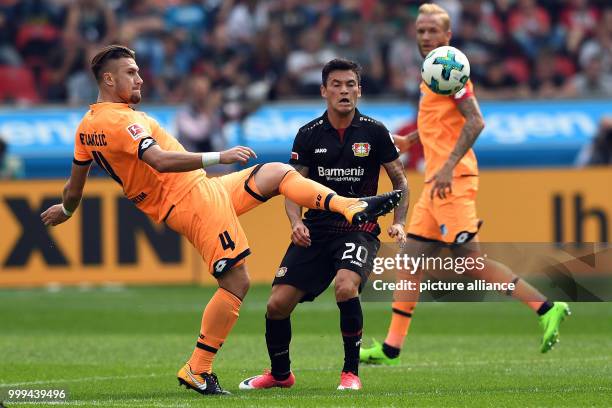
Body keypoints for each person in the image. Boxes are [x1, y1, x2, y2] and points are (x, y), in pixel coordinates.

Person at [39, 45, 402, 396]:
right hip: (190, 199)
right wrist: (220, 156)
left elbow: (74, 187)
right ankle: (198, 368)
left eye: (138, 72)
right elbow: (161, 161)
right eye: (130, 73)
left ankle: (348, 206)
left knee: (275, 173)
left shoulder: (87, 126)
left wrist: (67, 210)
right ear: (107, 79)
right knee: (237, 280)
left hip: (201, 191)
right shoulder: (122, 122)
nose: (140, 80)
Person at [359, 3, 570, 367]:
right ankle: (392, 348)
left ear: (447, 36)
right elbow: (441, 125)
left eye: (432, 31)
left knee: (470, 261)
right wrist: (411, 141)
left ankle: (547, 307)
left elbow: (475, 122)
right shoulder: (432, 73)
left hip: (450, 180)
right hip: (435, 181)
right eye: (420, 30)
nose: (424, 36)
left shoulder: (452, 71)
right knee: (410, 259)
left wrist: (449, 165)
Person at [239, 58, 409, 391]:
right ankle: (280, 374)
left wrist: (399, 221)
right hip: (316, 229)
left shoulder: (374, 132)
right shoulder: (308, 135)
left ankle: (350, 373)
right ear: (323, 91)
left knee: (345, 286)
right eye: (336, 84)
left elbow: (400, 181)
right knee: (276, 304)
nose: (344, 91)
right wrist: (295, 222)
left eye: (350, 84)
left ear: (359, 90)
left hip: (358, 228)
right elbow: (291, 184)